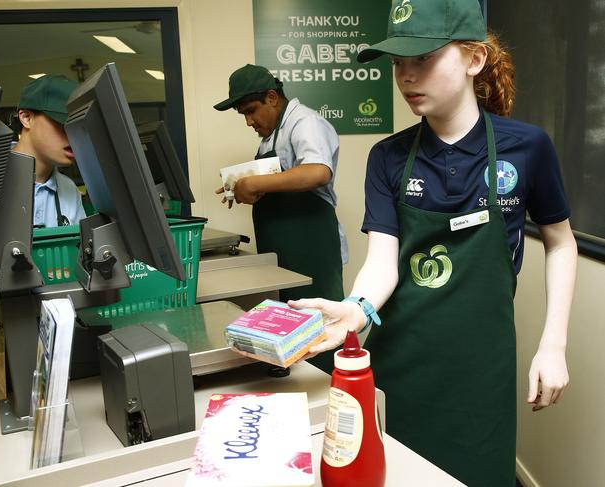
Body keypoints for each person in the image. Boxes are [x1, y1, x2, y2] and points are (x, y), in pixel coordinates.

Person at [290, 1, 577, 486]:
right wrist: (356, 308)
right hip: (403, 362)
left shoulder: (527, 147)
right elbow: (383, 262)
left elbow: (561, 243)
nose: (406, 76)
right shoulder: (388, 158)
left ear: (474, 59)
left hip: (483, 368)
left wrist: (553, 344)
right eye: (398, 63)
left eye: (423, 58)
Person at [213, 64, 347, 303]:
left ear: (272, 97)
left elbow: (318, 172)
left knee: (319, 325)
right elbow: (277, 179)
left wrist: (254, 184)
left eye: (251, 111)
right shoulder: (270, 136)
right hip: (281, 252)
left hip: (310, 250)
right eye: (243, 114)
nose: (248, 121)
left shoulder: (305, 122)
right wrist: (241, 183)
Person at [15, 74, 85, 227]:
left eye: (78, 128)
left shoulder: (69, 190)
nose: (74, 137)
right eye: (64, 124)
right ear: (26, 118)